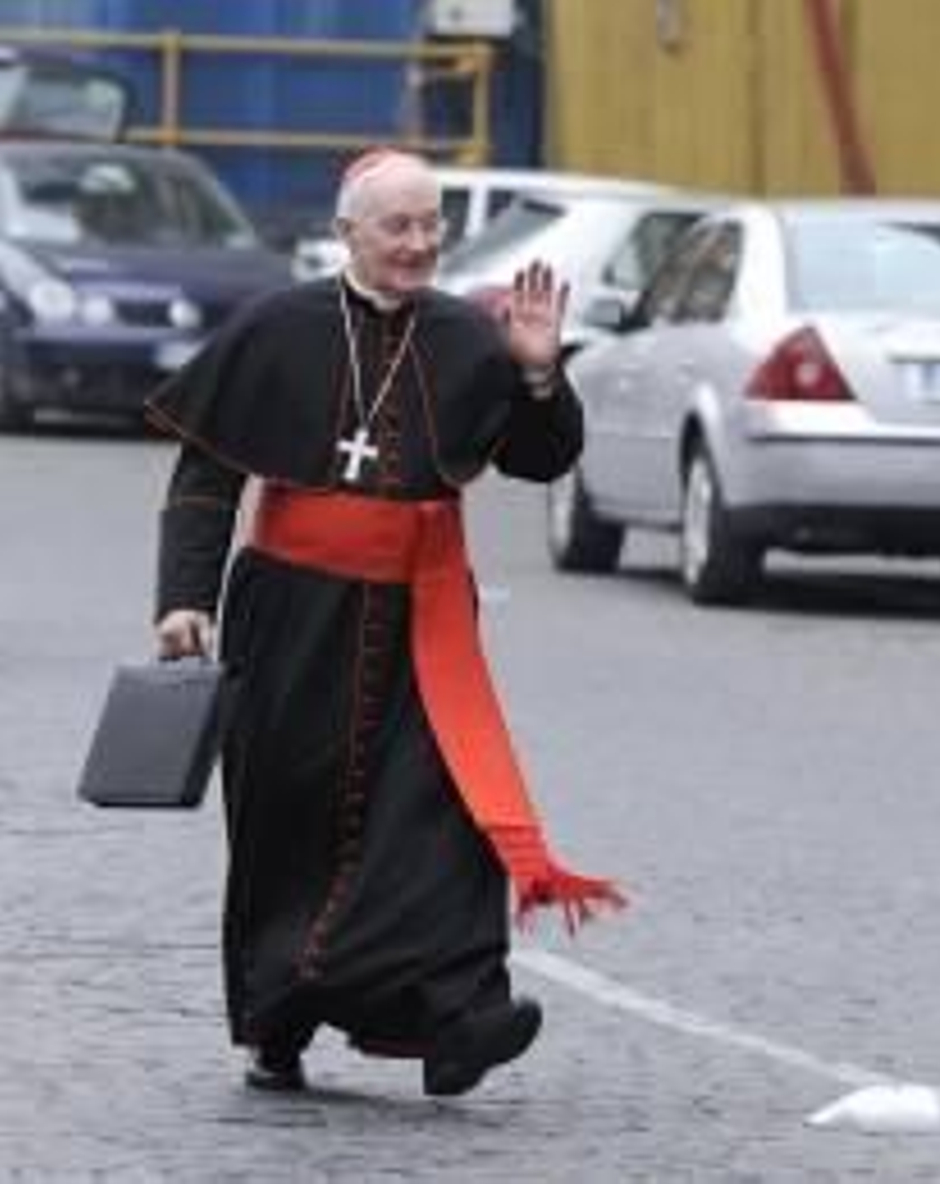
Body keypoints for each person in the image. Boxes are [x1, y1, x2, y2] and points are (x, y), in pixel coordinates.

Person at [148, 148, 624, 1097]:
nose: (417, 244)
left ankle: (460, 1016)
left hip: (419, 620)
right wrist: (183, 598)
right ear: (348, 235)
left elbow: (541, 459)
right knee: (288, 822)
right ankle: (277, 1019)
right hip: (290, 615)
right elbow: (207, 478)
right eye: (397, 227)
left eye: (430, 226)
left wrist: (536, 375)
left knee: (440, 815)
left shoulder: (467, 337)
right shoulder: (279, 328)